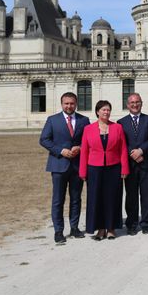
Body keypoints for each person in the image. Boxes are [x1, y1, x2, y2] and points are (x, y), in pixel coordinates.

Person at [39, 92, 90, 244]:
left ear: (76, 104)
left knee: (76, 199)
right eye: (66, 103)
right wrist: (61, 150)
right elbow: (44, 139)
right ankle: (58, 231)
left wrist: (80, 147)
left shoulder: (83, 120)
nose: (69, 106)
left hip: (76, 165)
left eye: (72, 103)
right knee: (58, 200)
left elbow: (89, 140)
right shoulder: (52, 120)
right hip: (58, 165)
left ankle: (74, 227)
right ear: (61, 104)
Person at [79, 100, 129, 240]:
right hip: (94, 168)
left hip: (114, 167)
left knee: (113, 198)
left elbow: (123, 149)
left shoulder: (117, 127)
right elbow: (84, 152)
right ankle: (100, 229)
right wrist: (83, 172)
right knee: (96, 199)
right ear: (97, 112)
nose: (106, 112)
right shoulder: (88, 129)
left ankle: (111, 228)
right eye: (103, 110)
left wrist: (124, 168)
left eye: (108, 110)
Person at [118, 93, 148, 235]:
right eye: (132, 103)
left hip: (147, 162)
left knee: (146, 194)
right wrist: (132, 153)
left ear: (141, 103)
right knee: (131, 195)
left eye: (137, 102)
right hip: (130, 164)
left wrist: (141, 150)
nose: (135, 105)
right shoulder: (121, 122)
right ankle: (132, 223)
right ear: (127, 105)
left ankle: (145, 223)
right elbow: (121, 142)